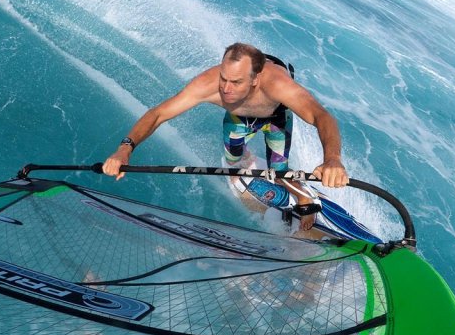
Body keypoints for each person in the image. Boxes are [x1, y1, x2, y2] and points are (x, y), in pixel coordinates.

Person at [102, 43, 349, 228]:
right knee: (234, 163)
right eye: (224, 78)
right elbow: (158, 114)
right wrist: (126, 148)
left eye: (236, 82)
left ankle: (303, 199)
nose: (226, 89)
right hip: (238, 120)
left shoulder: (277, 85)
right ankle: (246, 167)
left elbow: (321, 116)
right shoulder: (209, 85)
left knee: (280, 169)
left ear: (255, 79)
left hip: (276, 119)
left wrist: (332, 159)